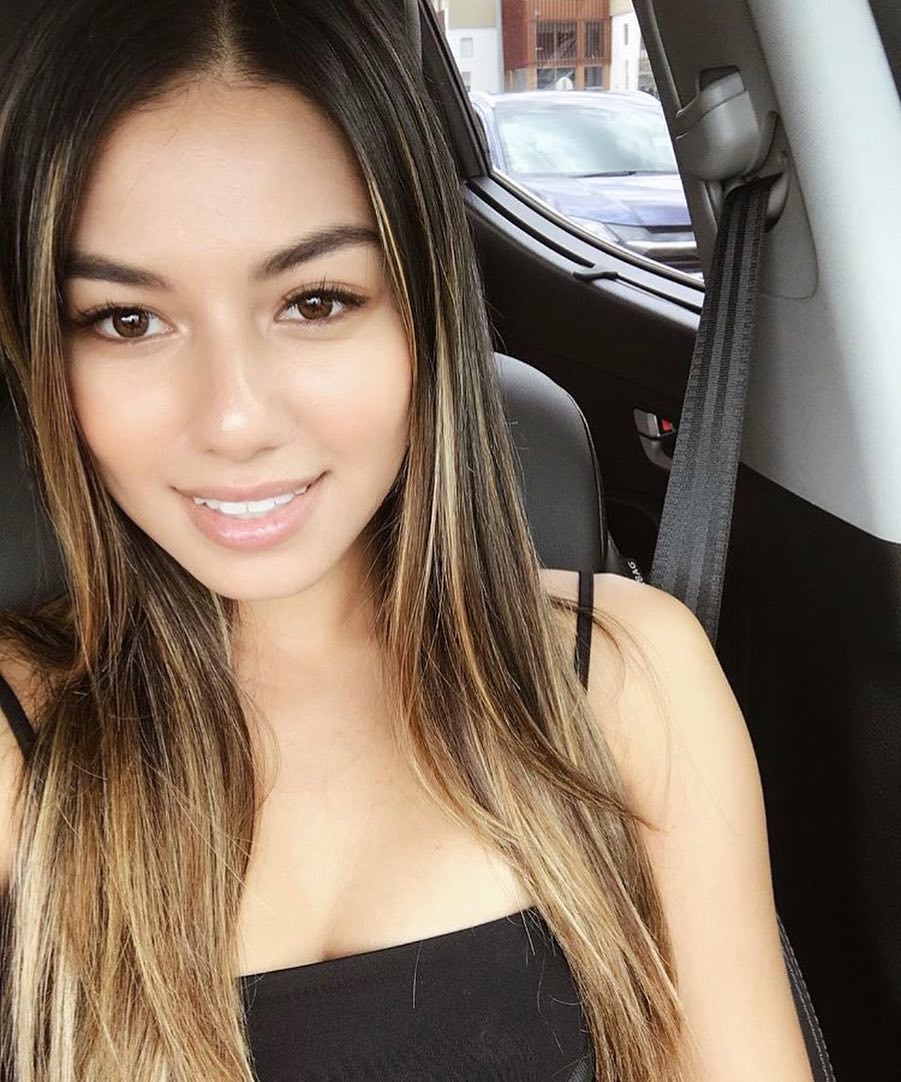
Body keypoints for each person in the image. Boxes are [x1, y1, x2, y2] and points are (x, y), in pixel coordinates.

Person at [0, 1, 814, 1080]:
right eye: (127, 319)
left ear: (422, 316)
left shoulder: (624, 680)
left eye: (315, 301)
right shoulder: (21, 741)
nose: (234, 420)